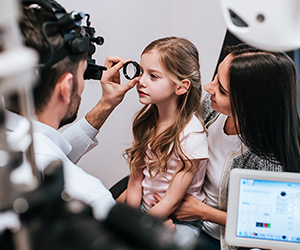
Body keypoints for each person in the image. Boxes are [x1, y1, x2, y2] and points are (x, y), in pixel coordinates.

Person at [153, 44, 300, 250]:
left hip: (217, 238)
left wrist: (202, 212)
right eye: (215, 77)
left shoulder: (267, 160)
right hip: (184, 216)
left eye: (221, 90)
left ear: (251, 105)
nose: (208, 88)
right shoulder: (211, 110)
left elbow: (270, 228)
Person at [4, 2, 138, 221]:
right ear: (66, 87)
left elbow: (45, 152)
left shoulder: (14, 147)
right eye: (82, 74)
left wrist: (106, 104)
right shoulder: (90, 199)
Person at [123, 37, 209, 248]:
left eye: (153, 76)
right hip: (145, 208)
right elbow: (135, 181)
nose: (141, 81)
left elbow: (171, 201)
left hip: (180, 219)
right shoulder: (146, 121)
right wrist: (134, 220)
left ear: (181, 87)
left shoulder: (192, 135)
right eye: (141, 71)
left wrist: (140, 226)